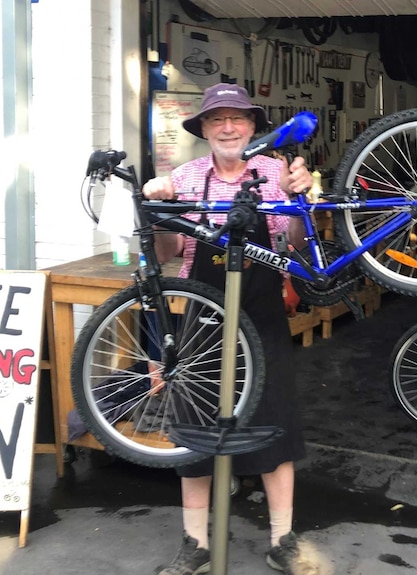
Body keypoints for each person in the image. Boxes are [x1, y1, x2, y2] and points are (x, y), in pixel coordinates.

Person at [143, 83, 315, 575]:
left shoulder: (275, 171)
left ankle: (282, 539)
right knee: (194, 432)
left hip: (262, 317)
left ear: (253, 126)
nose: (228, 127)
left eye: (237, 118)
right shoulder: (186, 176)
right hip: (203, 318)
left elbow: (296, 244)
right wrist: (159, 209)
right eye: (216, 119)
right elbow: (167, 254)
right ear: (204, 129)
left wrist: (298, 199)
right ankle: (195, 543)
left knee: (275, 426)